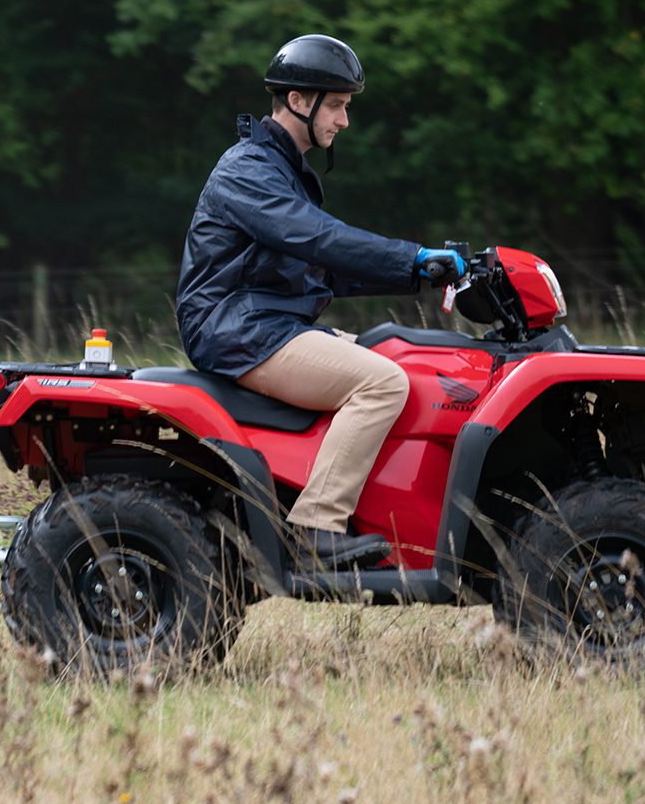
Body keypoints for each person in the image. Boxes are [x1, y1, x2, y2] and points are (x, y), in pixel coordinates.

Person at [175, 33, 465, 566]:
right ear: (297, 101)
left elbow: (321, 269)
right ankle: (316, 527)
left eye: (345, 106)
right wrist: (413, 256)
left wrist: (421, 273)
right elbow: (317, 238)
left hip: (268, 323)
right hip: (237, 329)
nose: (344, 121)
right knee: (382, 381)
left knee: (412, 367)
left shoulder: (281, 168)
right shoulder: (248, 170)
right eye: (336, 105)